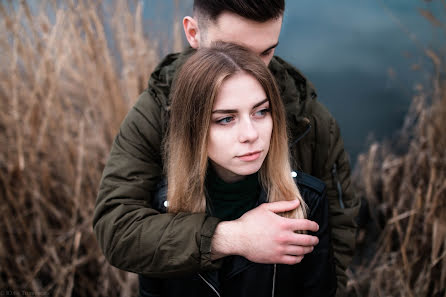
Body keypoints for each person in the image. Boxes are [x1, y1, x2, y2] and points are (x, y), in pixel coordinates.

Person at [93, 0, 360, 295]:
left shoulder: (311, 119)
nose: (250, 71)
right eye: (231, 51)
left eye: (267, 51)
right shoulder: (156, 112)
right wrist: (231, 238)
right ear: (193, 34)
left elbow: (339, 233)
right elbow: (117, 230)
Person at [139, 41, 336, 297]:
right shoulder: (161, 205)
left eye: (261, 111)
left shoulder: (307, 201)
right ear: (192, 129)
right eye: (226, 119)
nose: (250, 134)